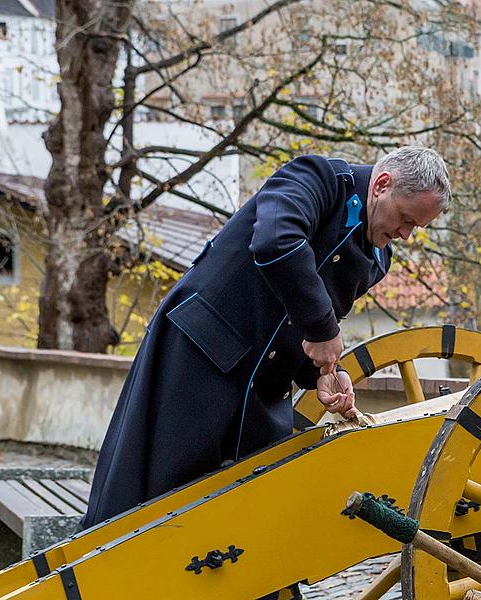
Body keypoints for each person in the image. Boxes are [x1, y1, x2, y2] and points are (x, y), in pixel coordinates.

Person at [81, 146, 451, 529]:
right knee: (153, 496)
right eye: (406, 219)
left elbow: (313, 326)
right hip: (199, 358)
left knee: (253, 512)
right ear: (382, 184)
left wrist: (323, 372)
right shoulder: (317, 178)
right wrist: (323, 330)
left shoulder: (377, 257)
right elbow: (276, 242)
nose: (406, 235)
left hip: (261, 391)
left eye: (415, 228)